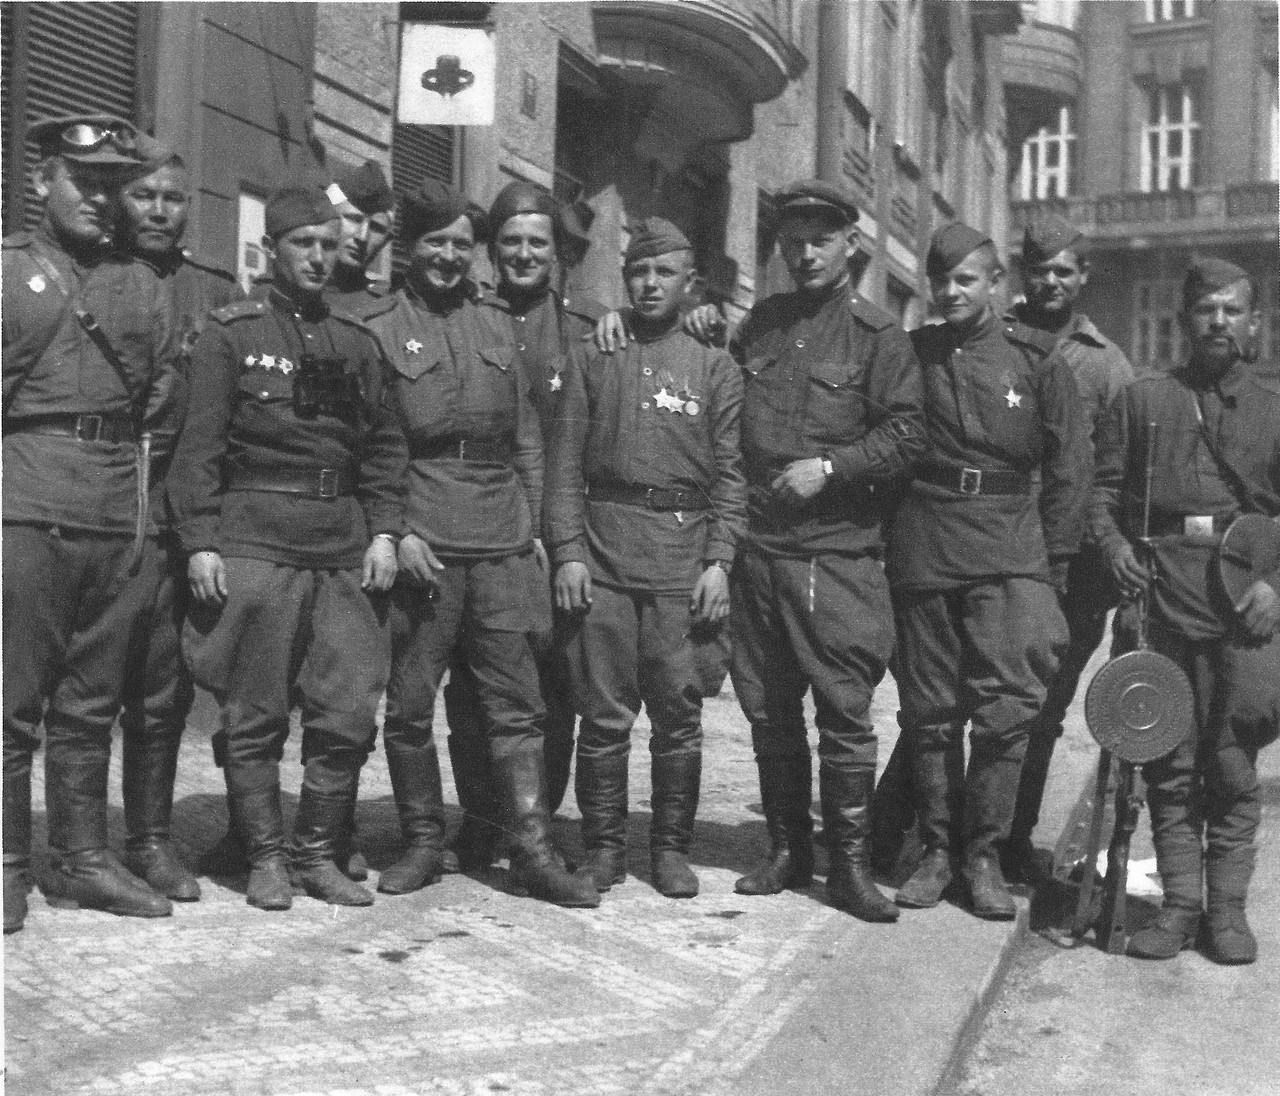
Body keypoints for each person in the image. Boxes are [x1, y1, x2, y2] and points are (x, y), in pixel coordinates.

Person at [362, 179, 599, 908]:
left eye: (461, 245)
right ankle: (424, 840)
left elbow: (527, 437)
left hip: (499, 537)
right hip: (425, 539)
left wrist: (533, 531)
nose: (448, 256)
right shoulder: (379, 326)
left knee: (515, 701)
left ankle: (529, 845)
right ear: (413, 247)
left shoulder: (497, 324)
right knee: (408, 703)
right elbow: (375, 446)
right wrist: (396, 531)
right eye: (436, 242)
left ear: (476, 254)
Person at [169, 186, 406, 910]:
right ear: (273, 250)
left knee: (346, 712)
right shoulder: (231, 334)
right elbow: (199, 448)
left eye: (329, 246)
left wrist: (387, 532)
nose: (317, 257)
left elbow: (386, 449)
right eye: (303, 244)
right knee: (253, 710)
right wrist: (200, 542)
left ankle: (315, 854)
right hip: (255, 541)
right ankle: (266, 858)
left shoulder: (358, 343)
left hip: (340, 545)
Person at [724, 179, 926, 923]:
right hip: (762, 553)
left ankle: (848, 865)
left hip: (838, 556)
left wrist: (831, 468)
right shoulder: (761, 327)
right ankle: (787, 850)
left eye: (820, 238)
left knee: (844, 713)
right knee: (770, 712)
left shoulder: (879, 338)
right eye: (791, 239)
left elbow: (908, 436)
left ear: (851, 246)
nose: (804, 252)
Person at [3, 114, 181, 933]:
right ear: (43, 181)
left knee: (91, 704)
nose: (104, 200)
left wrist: (137, 513)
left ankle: (82, 858)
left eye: (117, 184)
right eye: (87, 182)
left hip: (117, 514)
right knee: (11, 703)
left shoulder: (140, 286)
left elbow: (158, 406)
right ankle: (6, 864)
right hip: (27, 510)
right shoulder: (8, 276)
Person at [888, 222, 1089, 920]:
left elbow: (1069, 470)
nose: (951, 292)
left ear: (996, 284)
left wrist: (1054, 566)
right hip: (927, 540)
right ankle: (938, 852)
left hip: (1009, 546)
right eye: (941, 281)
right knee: (930, 710)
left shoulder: (1037, 361)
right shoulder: (911, 353)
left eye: (966, 280)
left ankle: (983, 856)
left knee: (1007, 712)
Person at [546, 218, 746, 897]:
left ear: (689, 283)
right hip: (603, 553)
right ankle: (603, 847)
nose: (651, 284)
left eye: (665, 273)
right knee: (602, 718)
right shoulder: (595, 354)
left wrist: (719, 560)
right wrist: (569, 550)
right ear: (625, 280)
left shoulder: (715, 366)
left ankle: (668, 849)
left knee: (677, 716)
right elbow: (564, 462)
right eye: (639, 272)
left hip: (680, 561)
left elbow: (731, 474)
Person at [1094, 256, 1279, 964]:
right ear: (1185, 321)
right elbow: (1103, 492)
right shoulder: (1144, 402)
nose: (1220, 322)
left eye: (1234, 310)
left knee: (1232, 765)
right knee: (1167, 762)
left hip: (1245, 612)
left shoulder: (1272, 410)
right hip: (1163, 597)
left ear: (1253, 323)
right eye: (1206, 309)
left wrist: (1276, 589)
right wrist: (1113, 548)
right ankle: (1178, 906)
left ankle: (1226, 914)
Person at [440, 180, 607, 872]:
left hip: (560, 533)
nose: (524, 254)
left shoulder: (588, 331)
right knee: (472, 684)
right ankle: (481, 820)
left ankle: (536, 819)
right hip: (480, 530)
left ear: (558, 253)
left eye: (537, 242)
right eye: (511, 241)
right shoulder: (468, 318)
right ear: (492, 249)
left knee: (553, 683)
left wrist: (566, 541)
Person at [110, 135, 245, 903]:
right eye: (144, 196)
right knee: (86, 691)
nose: (160, 211)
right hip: (104, 510)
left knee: (166, 691)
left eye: (171, 198)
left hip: (186, 520)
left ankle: (155, 839)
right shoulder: (96, 278)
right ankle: (81, 841)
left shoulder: (216, 296)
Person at [325, 160, 396, 314]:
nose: (362, 237)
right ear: (328, 219)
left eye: (376, 228)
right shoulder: (287, 291)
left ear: (386, 241)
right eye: (353, 219)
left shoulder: (386, 308)